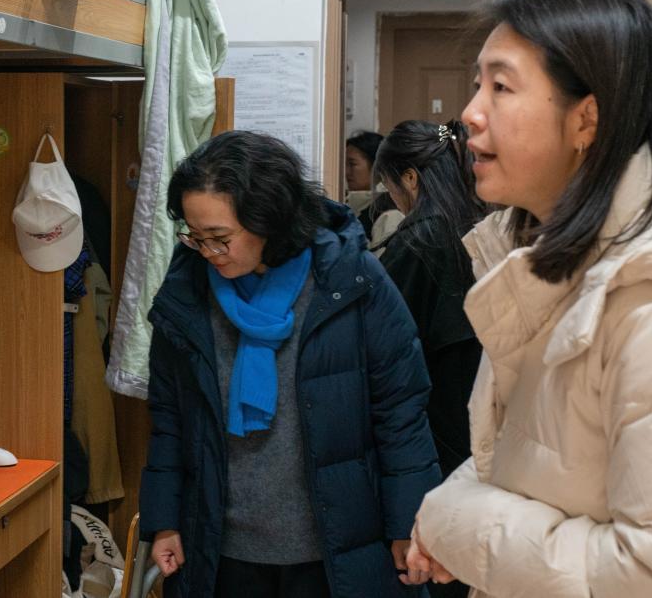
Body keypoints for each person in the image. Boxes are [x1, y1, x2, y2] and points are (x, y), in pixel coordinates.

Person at [405, 0, 652, 596]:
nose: (469, 113)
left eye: (501, 87)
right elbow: (535, 449)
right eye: (477, 85)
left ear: (585, 119)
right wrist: (452, 507)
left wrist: (460, 526)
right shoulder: (544, 252)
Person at [141, 130, 440, 598]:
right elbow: (170, 418)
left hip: (336, 551)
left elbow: (401, 413)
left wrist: (409, 523)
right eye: (195, 237)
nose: (208, 253)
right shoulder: (186, 292)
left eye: (219, 238)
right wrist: (164, 521)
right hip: (221, 552)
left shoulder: (351, 281)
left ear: (269, 219)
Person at [374, 119, 485, 598]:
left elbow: (384, 348)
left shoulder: (417, 242)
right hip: (478, 422)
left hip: (433, 428)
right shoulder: (481, 228)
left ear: (410, 178)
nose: (392, 197)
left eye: (389, 185)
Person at [345, 130, 403, 249]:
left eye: (352, 164)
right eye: (344, 164)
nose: (346, 171)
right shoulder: (348, 206)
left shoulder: (389, 213)